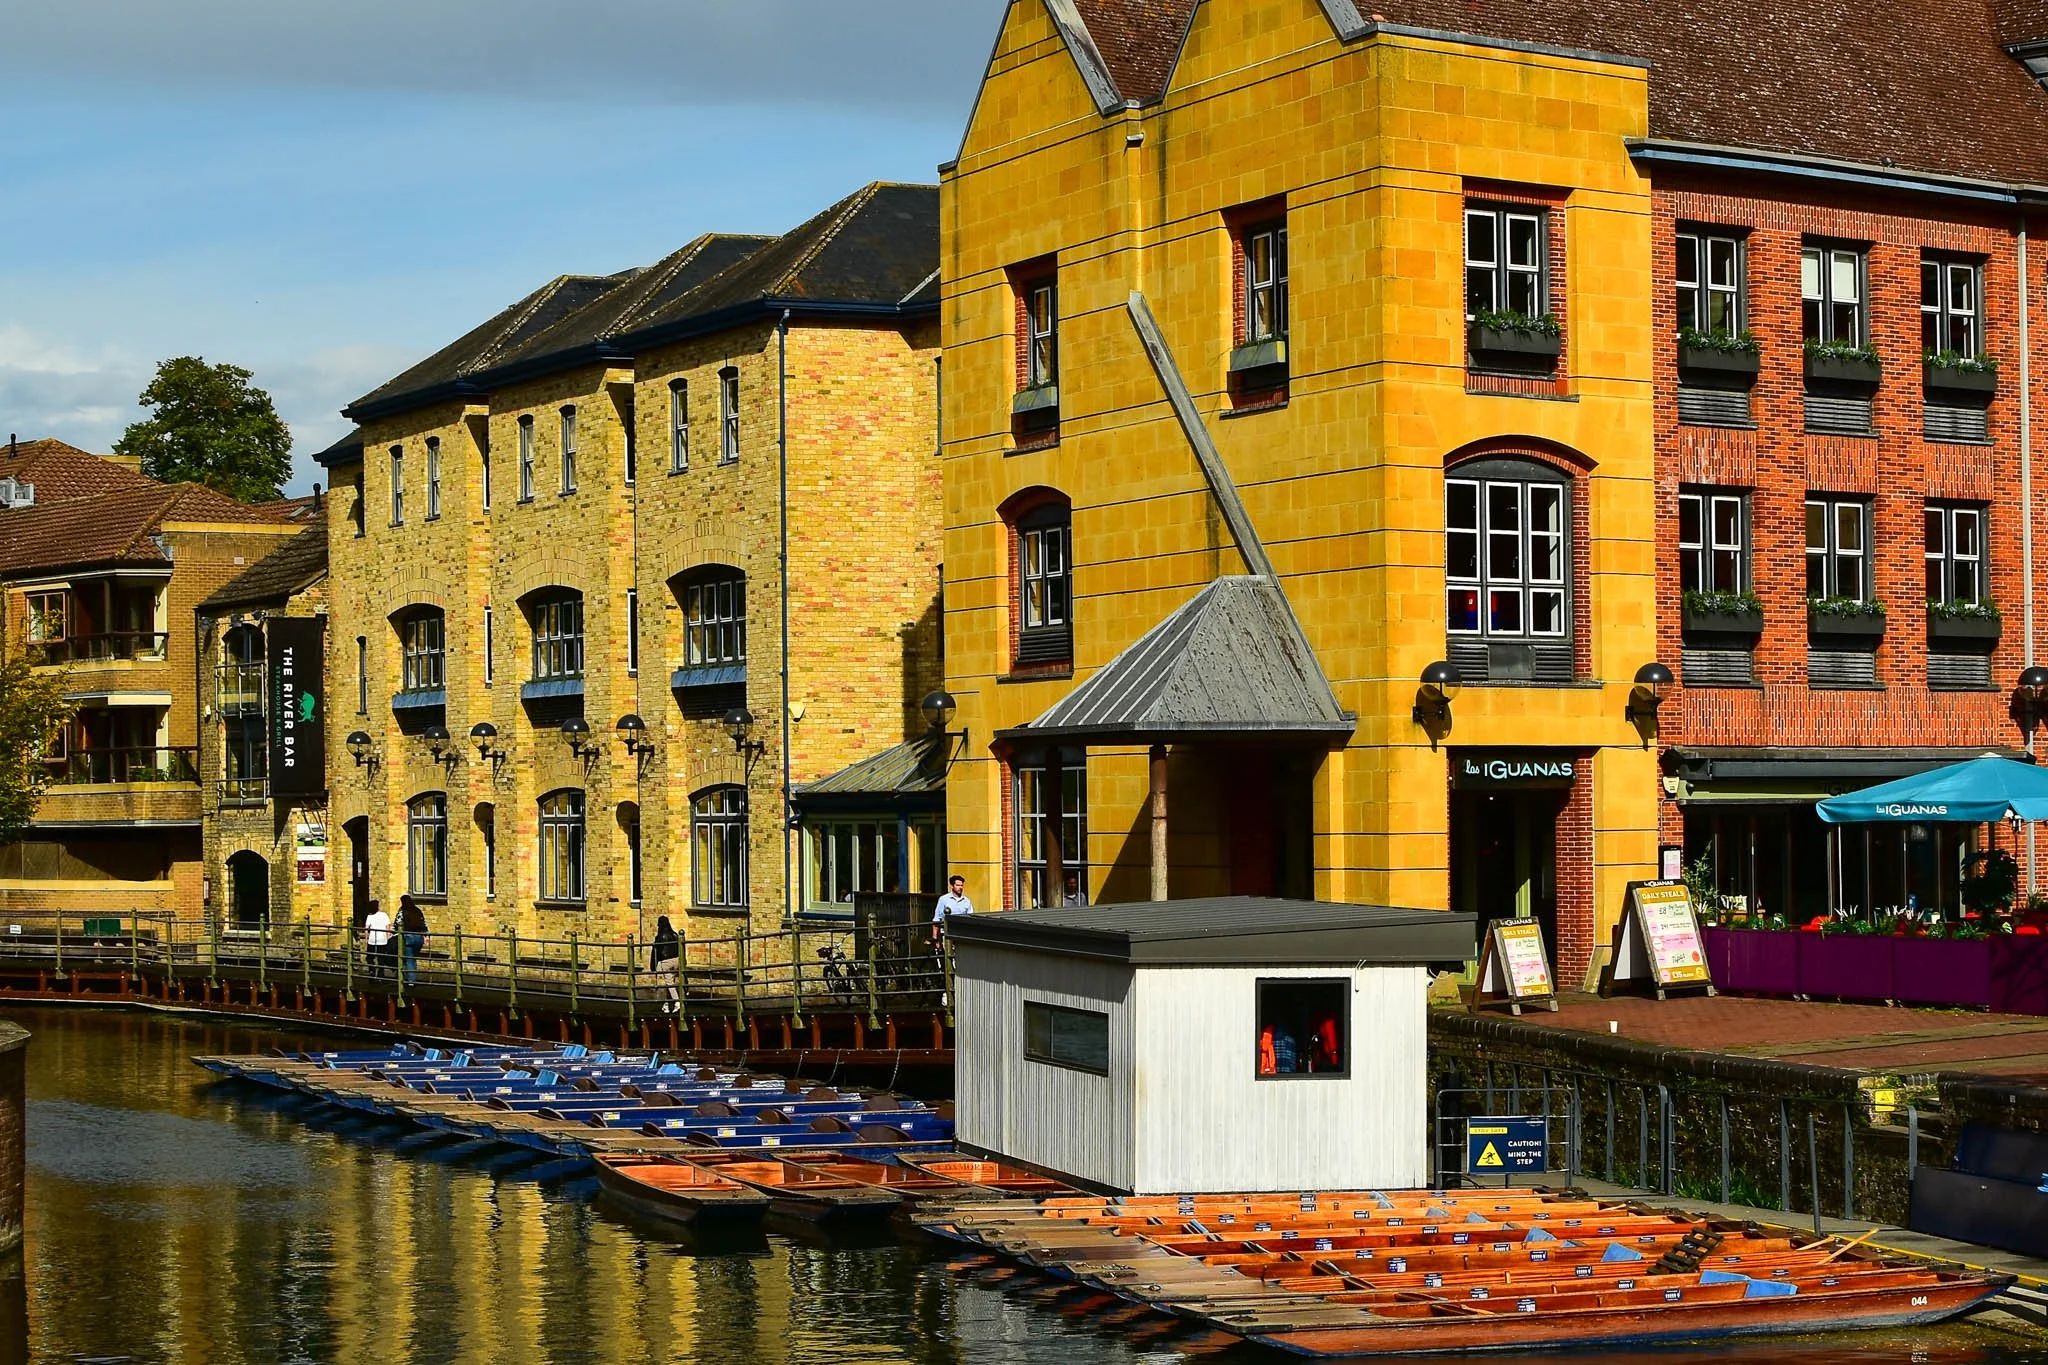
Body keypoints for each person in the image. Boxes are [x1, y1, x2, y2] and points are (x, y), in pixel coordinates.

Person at [650, 915, 681, 1015]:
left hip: (666, 962)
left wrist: (653, 966)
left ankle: (677, 1002)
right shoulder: (675, 935)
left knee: (669, 984)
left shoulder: (659, 937)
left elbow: (655, 952)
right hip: (677, 960)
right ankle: (666, 1005)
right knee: (671, 983)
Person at [931, 874, 974, 947]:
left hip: (961, 934)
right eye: (957, 885)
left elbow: (971, 918)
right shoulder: (944, 899)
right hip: (947, 933)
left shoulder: (966, 901)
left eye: (961, 885)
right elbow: (937, 919)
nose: (960, 887)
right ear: (952, 886)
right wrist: (935, 938)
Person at [398, 895, 428, 988]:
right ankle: (411, 977)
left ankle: (411, 981)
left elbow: (397, 923)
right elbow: (424, 923)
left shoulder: (402, 911)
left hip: (408, 937)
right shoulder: (417, 911)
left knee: (409, 959)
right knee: (413, 959)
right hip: (419, 938)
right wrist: (426, 936)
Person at [362, 901, 394, 978]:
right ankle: (380, 975)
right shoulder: (384, 915)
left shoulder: (369, 916)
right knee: (381, 959)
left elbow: (366, 929)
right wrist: (388, 936)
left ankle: (372, 970)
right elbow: (388, 927)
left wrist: (366, 939)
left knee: (370, 957)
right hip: (382, 940)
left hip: (372, 940)